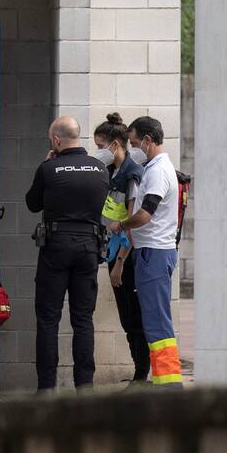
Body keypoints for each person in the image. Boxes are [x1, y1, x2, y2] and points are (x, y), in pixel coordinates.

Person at [25, 115, 109, 392]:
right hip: (88, 246)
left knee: (48, 319)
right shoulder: (100, 169)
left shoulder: (49, 168)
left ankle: (46, 389)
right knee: (83, 319)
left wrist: (47, 164)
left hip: (56, 246)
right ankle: (84, 387)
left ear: (56, 140)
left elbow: (32, 203)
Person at [109, 116, 183, 388]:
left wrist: (121, 225)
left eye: (134, 142)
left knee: (157, 323)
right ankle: (165, 382)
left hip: (154, 253)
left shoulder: (158, 171)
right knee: (153, 321)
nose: (133, 148)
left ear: (148, 140)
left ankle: (169, 385)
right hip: (150, 253)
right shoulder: (153, 168)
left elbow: (144, 215)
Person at [93, 113, 148, 385]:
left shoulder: (132, 174)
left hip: (128, 257)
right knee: (127, 318)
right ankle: (139, 374)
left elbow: (132, 222)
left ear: (115, 144)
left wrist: (120, 263)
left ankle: (141, 374)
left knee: (134, 318)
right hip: (114, 252)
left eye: (100, 146)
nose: (98, 152)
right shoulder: (112, 172)